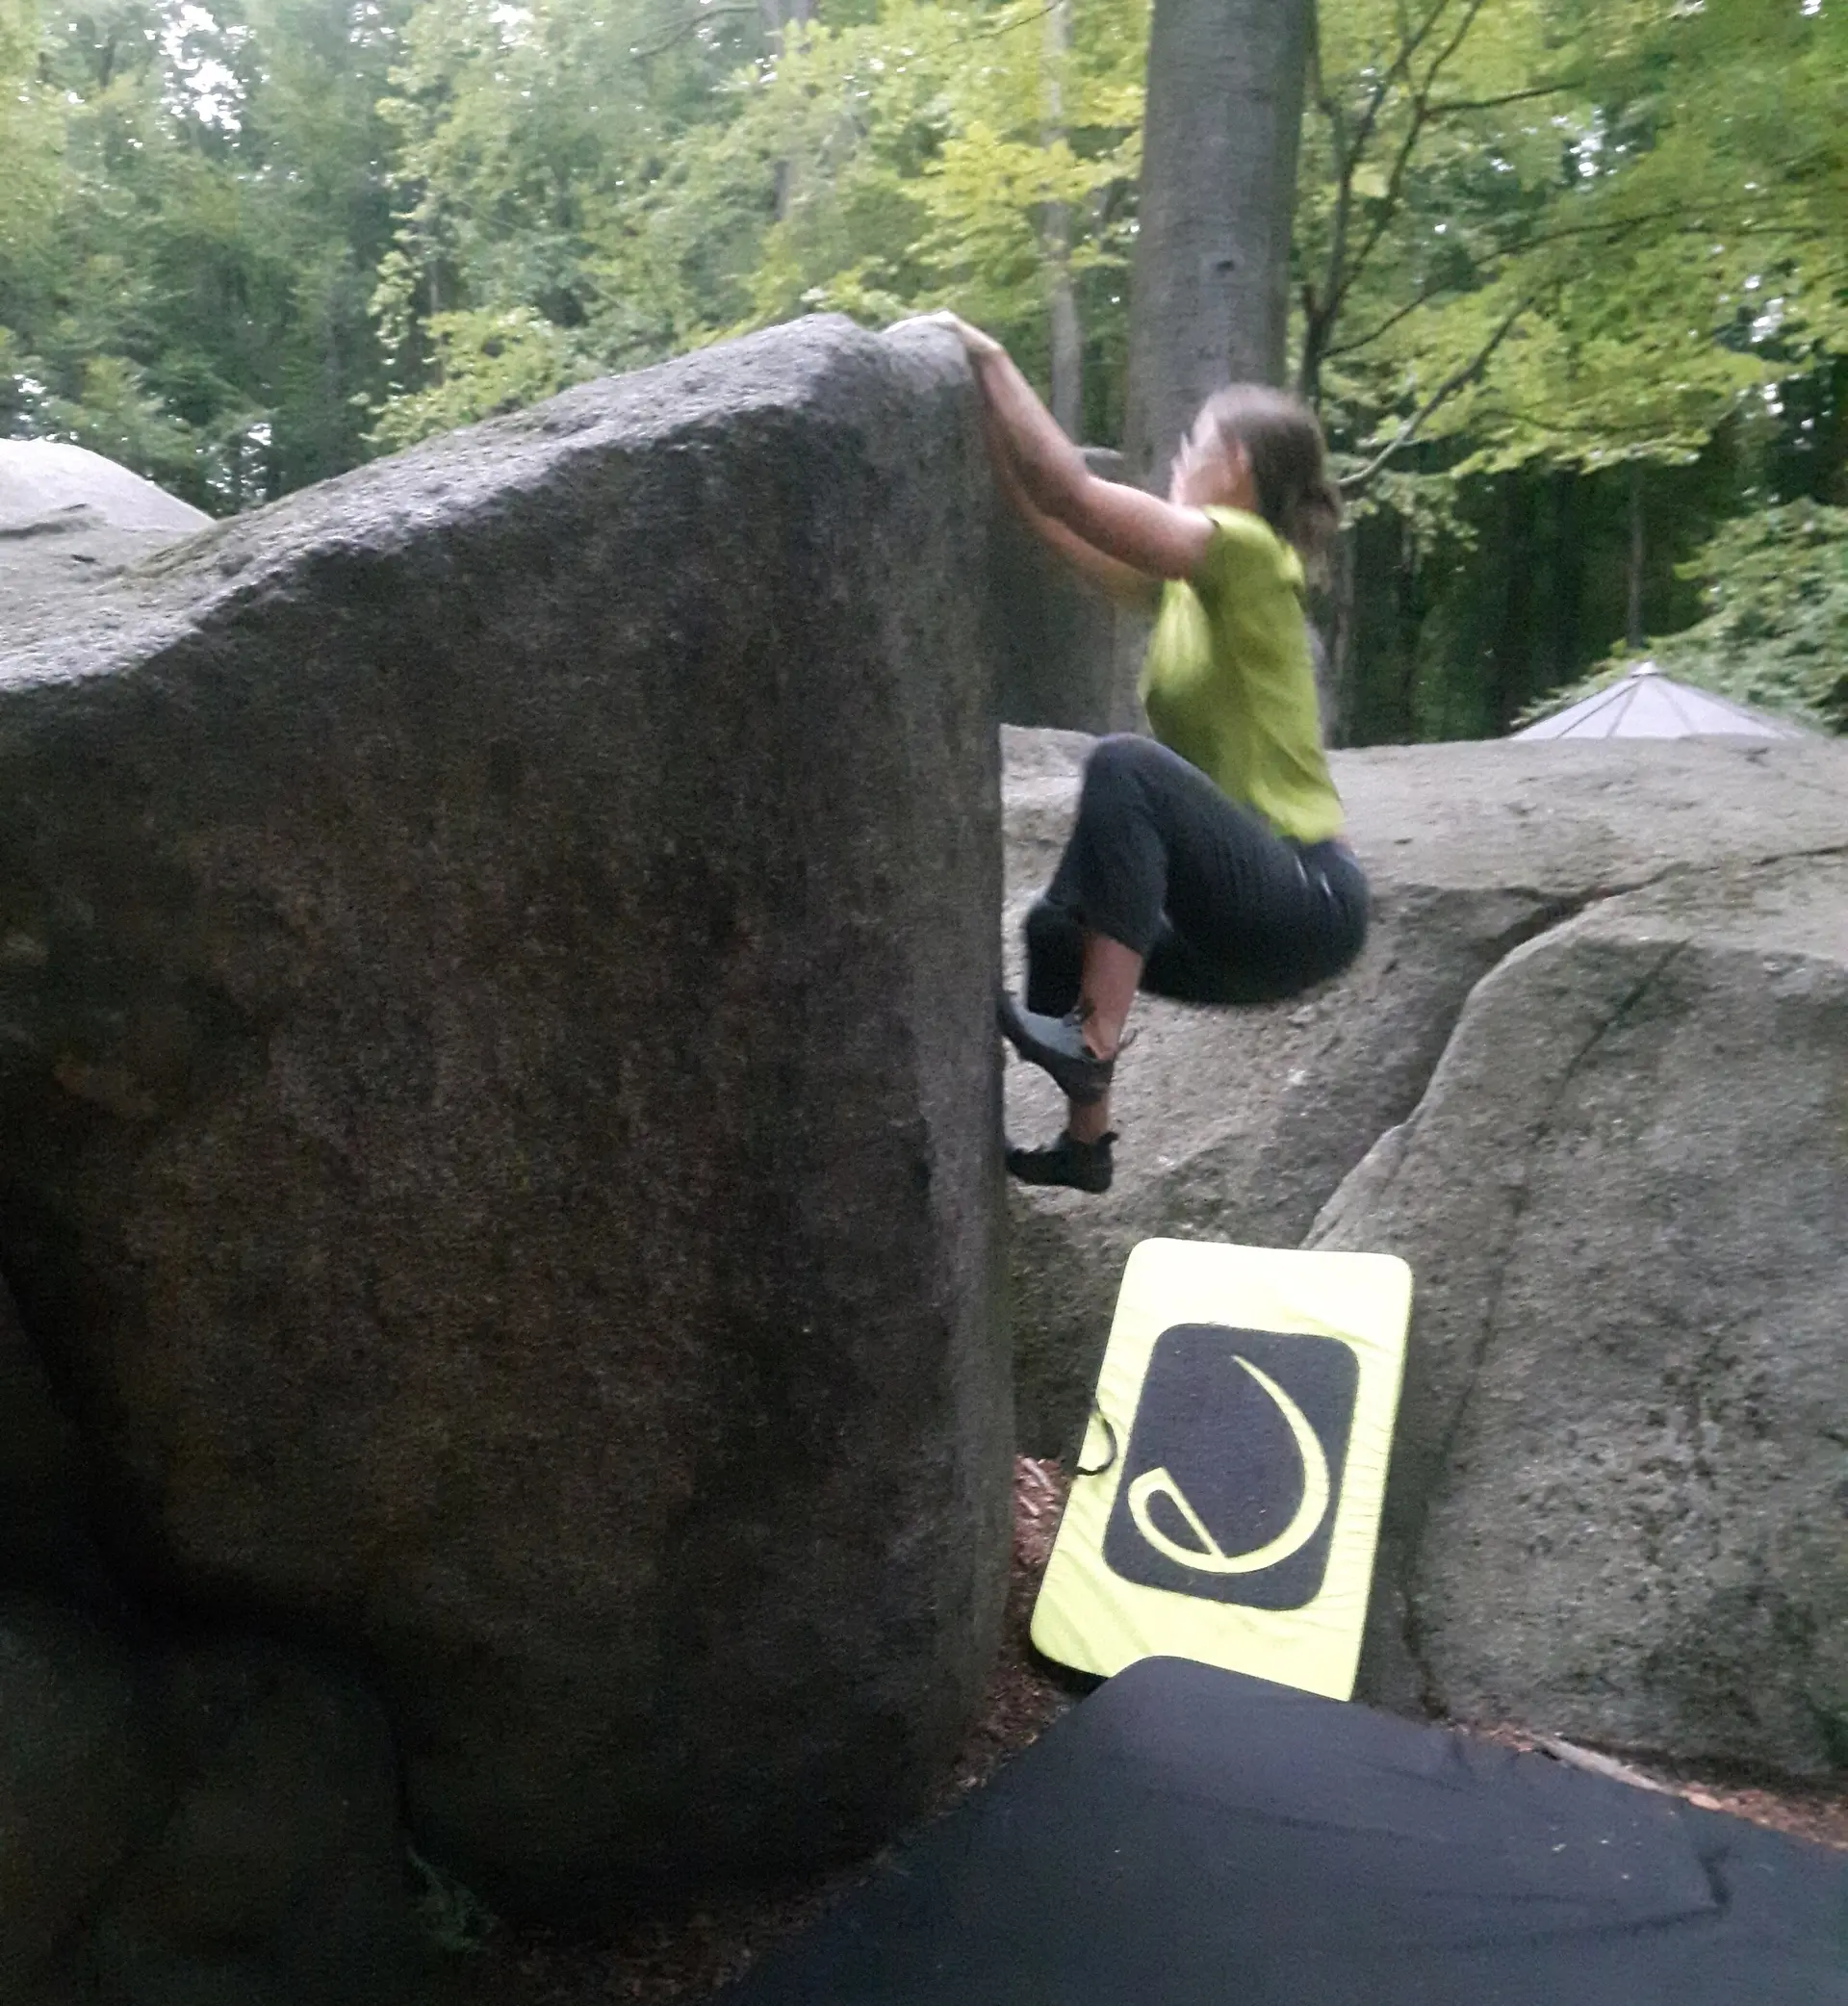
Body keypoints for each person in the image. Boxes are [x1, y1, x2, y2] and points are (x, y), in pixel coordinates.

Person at [931, 313, 1370, 1195]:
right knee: (1055, 926)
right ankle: (1086, 1145)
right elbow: (1058, 524)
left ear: (1235, 467)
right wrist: (981, 430)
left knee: (1125, 766)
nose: (1177, 454)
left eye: (1192, 441)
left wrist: (984, 355)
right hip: (1241, 925)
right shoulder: (1187, 586)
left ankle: (1090, 1053)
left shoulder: (1245, 551)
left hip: (1304, 899)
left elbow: (1074, 495)